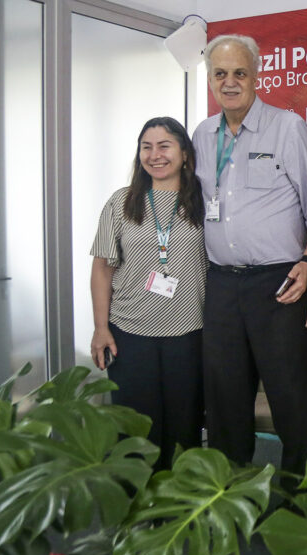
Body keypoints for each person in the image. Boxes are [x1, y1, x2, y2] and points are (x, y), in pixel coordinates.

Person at [192, 34, 307, 486]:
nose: (229, 82)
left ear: (257, 75)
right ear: (210, 80)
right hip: (221, 285)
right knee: (225, 397)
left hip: (279, 283)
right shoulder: (201, 135)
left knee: (289, 395)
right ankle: (229, 494)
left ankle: (297, 497)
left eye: (239, 73)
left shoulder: (288, 128)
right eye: (220, 74)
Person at [90, 116, 206, 470]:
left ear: (184, 154)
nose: (155, 155)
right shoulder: (121, 202)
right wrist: (100, 327)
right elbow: (102, 269)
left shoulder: (204, 201)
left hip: (188, 333)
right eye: (146, 147)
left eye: (164, 146)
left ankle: (178, 508)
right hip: (129, 334)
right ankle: (137, 509)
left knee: (184, 429)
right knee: (136, 432)